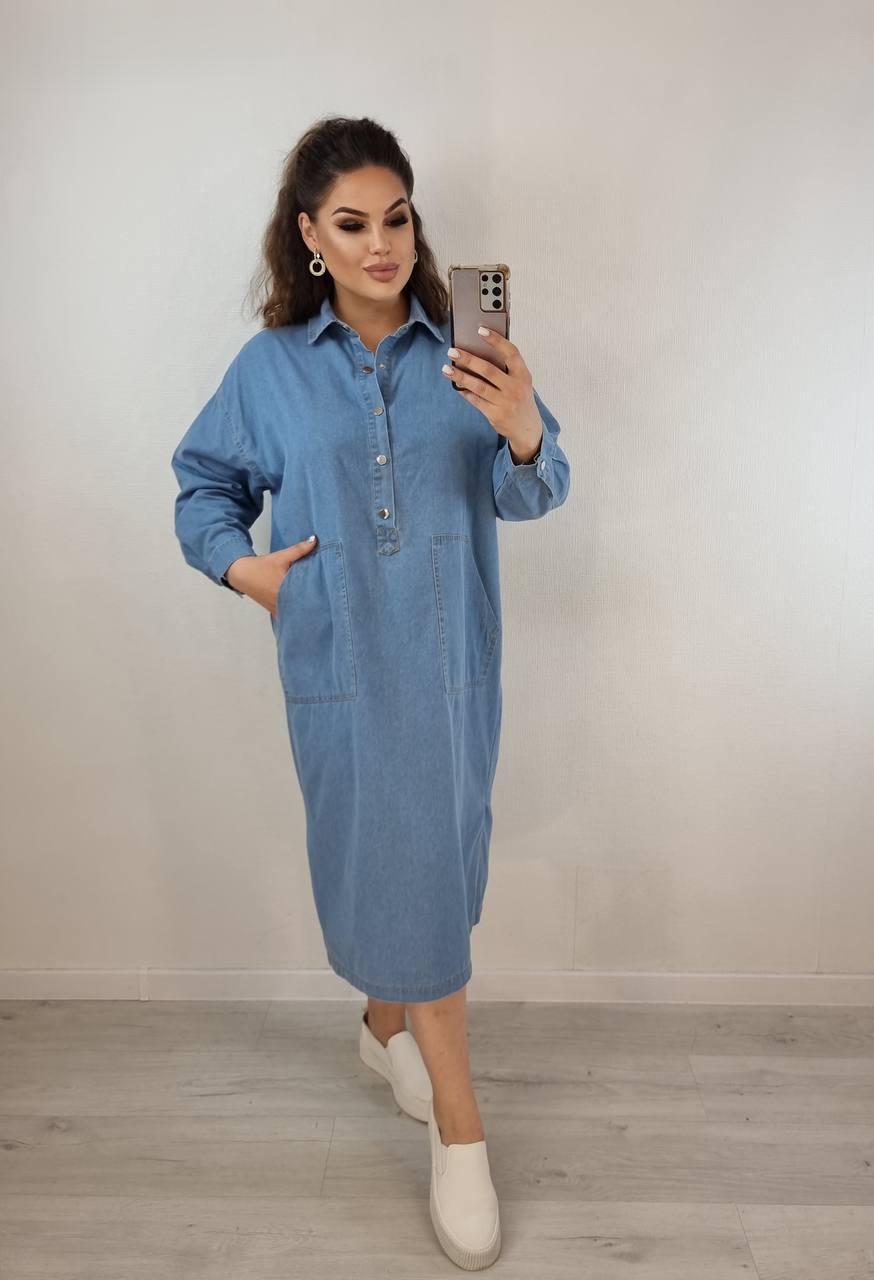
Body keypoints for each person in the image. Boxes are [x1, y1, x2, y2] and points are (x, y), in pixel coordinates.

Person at [170, 114, 571, 1270]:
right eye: (351, 223)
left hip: (450, 674)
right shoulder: (268, 371)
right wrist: (243, 568)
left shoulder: (465, 354)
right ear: (309, 234)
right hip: (342, 669)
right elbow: (202, 487)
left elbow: (536, 492)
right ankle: (460, 1127)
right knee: (404, 877)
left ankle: (379, 1025)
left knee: (437, 870)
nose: (381, 242)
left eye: (396, 217)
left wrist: (522, 427)